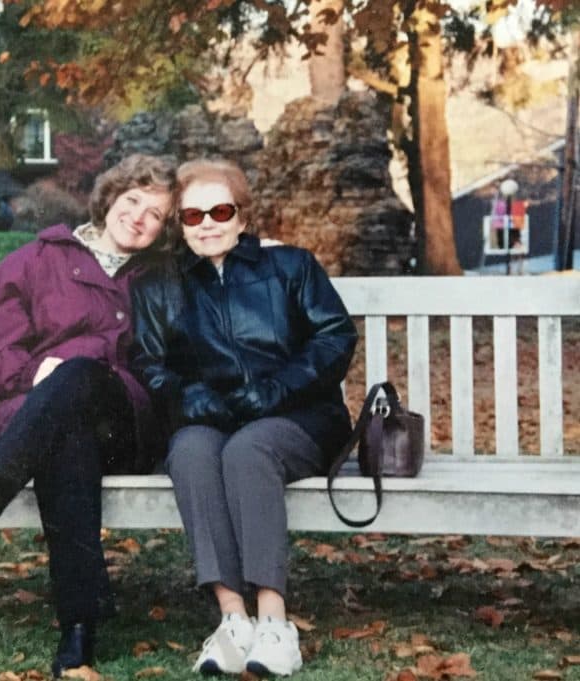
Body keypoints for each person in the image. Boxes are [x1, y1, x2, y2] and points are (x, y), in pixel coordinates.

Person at [0, 154, 176, 677]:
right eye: (133, 201)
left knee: (80, 374)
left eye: (157, 214)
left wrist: (79, 366)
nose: (140, 217)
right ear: (110, 197)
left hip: (123, 425)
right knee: (66, 434)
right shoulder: (32, 261)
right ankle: (79, 628)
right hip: (37, 420)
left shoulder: (162, 277)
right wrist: (42, 375)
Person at [129, 159, 357, 677]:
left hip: (298, 417)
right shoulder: (157, 286)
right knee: (188, 451)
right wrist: (188, 397)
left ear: (242, 216)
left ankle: (274, 622)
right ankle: (234, 619)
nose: (207, 223)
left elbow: (335, 336)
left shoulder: (291, 267)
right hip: (212, 416)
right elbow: (146, 363)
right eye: (192, 216)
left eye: (220, 210)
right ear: (180, 225)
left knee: (248, 449)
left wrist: (278, 387)